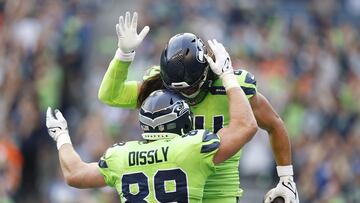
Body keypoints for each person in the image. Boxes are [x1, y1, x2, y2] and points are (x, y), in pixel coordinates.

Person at [98, 11, 299, 203]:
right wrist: (123, 55)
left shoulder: (231, 86)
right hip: (175, 192)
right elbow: (110, 95)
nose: (187, 94)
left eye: (192, 87)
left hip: (219, 193)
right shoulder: (158, 84)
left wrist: (286, 177)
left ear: (206, 71)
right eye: (179, 91)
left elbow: (273, 123)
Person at [46, 39, 258, 202]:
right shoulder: (194, 148)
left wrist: (62, 136)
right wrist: (228, 76)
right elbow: (246, 126)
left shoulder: (121, 155)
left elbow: (74, 174)